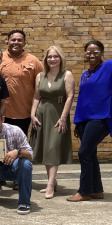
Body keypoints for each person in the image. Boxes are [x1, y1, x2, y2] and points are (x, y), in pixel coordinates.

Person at [68, 39, 112, 202]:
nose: (92, 55)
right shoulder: (85, 74)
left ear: (101, 53)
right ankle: (97, 190)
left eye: (96, 52)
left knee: (83, 152)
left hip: (101, 117)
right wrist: (77, 122)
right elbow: (83, 99)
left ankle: (84, 191)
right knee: (91, 154)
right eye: (89, 52)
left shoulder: (108, 66)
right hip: (84, 119)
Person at [29, 46, 74, 199]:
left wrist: (63, 118)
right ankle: (52, 181)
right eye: (50, 57)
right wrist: (32, 114)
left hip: (58, 114)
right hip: (41, 114)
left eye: (55, 56)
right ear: (46, 59)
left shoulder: (67, 75)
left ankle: (49, 185)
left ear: (60, 58)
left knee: (53, 148)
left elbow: (70, 97)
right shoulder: (40, 76)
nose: (53, 59)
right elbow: (36, 97)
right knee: (45, 148)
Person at [0, 29, 43, 134]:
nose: (16, 42)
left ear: (24, 43)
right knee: (1, 145)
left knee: (19, 145)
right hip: (1, 111)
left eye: (19, 40)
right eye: (13, 40)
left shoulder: (33, 61)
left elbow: (43, 83)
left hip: (24, 113)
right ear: (7, 42)